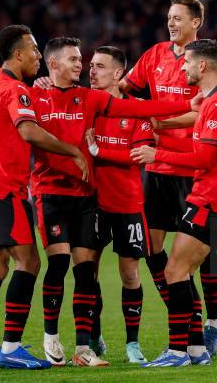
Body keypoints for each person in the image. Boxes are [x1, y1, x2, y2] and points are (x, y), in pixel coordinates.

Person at [0, 36, 198, 366]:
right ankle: (45, 339)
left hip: (86, 197)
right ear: (53, 64)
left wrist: (187, 105)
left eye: (82, 59)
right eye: (74, 59)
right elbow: (19, 123)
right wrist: (74, 154)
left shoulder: (87, 98)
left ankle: (82, 347)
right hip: (45, 192)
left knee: (85, 271)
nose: (81, 64)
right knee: (48, 264)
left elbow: (138, 108)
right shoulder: (32, 93)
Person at [0, 24, 88, 370]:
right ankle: (11, 346)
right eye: (34, 50)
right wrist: (72, 152)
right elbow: (29, 130)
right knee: (30, 262)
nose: (38, 56)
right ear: (18, 54)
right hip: (4, 189)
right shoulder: (14, 89)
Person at [121, 39, 217, 367]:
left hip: (210, 196)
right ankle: (196, 349)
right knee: (179, 268)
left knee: (179, 269)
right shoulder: (214, 99)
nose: (183, 68)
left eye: (188, 63)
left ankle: (181, 350)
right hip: (211, 195)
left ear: (202, 65)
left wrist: (155, 152)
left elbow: (204, 156)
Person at [85, 45, 154, 363]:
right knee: (89, 274)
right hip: (92, 203)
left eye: (99, 66)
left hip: (127, 204)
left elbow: (139, 156)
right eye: (90, 64)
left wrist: (101, 152)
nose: (91, 70)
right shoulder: (84, 105)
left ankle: (132, 344)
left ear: (117, 73)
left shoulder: (136, 110)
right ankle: (94, 335)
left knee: (130, 274)